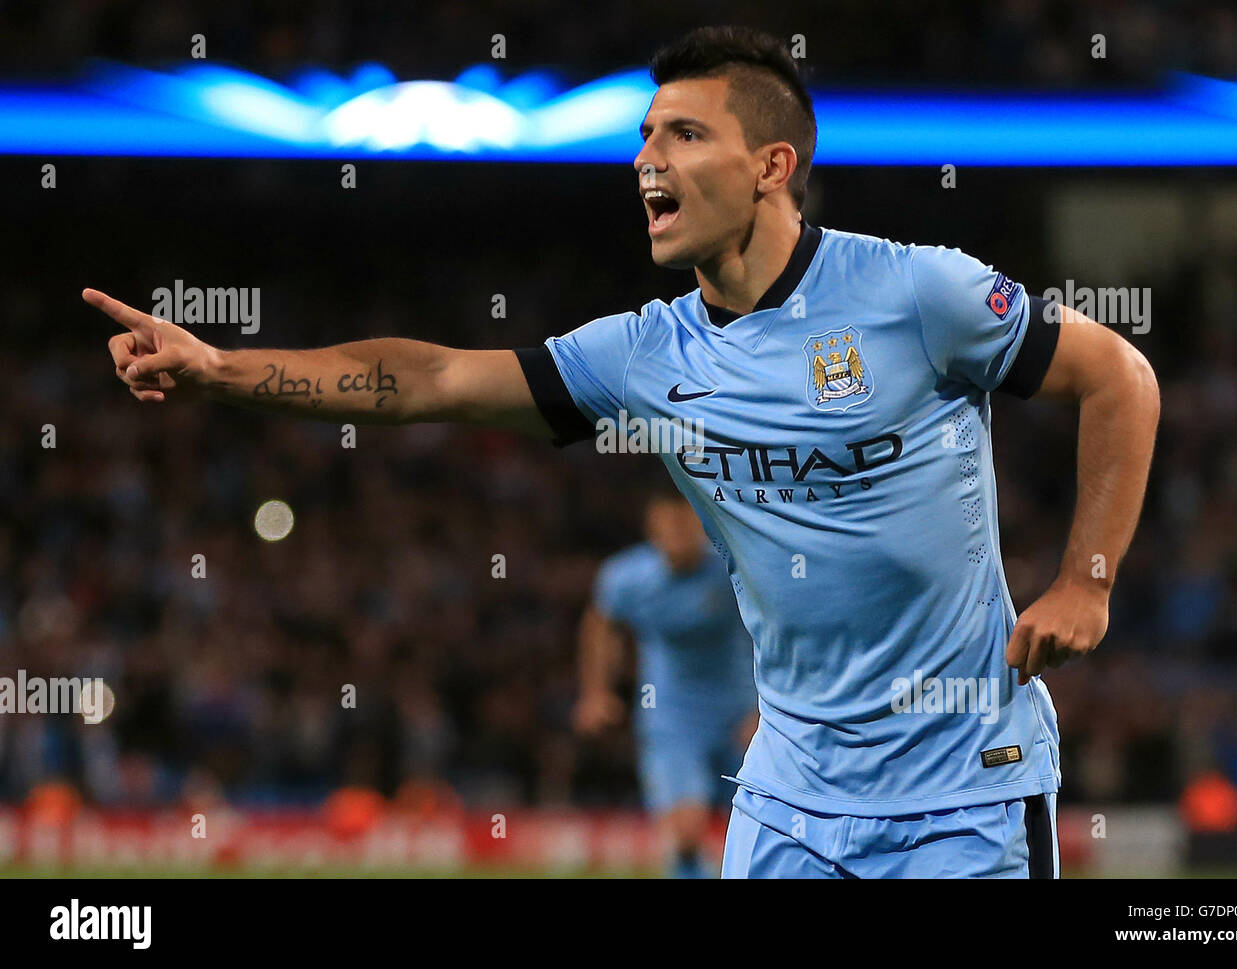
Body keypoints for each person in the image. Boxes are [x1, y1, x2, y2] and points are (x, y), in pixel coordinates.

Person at [87, 25, 1160, 877]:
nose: (645, 160)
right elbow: (434, 380)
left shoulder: (916, 292)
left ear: (771, 166)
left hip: (963, 788)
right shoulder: (645, 353)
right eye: (645, 137)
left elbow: (1117, 375)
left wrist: (1086, 577)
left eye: (683, 136)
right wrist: (224, 370)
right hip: (788, 795)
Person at [573, 490, 757, 878]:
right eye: (666, 526)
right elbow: (601, 626)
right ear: (651, 529)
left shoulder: (732, 567)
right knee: (686, 831)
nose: (676, 534)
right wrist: (596, 692)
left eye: (684, 525)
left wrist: (764, 707)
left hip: (741, 714)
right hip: (672, 716)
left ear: (700, 525)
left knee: (763, 823)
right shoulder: (627, 578)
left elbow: (772, 631)